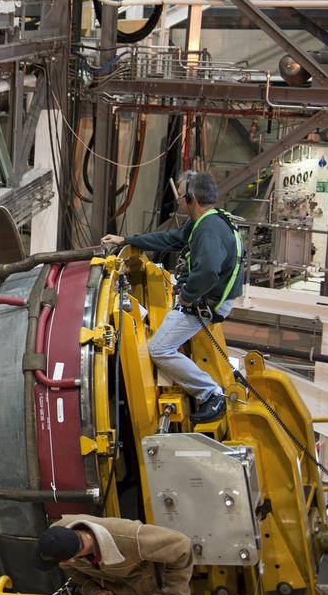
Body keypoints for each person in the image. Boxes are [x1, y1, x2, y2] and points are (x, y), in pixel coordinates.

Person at [100, 170, 243, 424]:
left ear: (191, 198)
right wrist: (127, 240)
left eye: (180, 195)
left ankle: (211, 394)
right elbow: (169, 239)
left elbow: (208, 271)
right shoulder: (207, 221)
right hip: (206, 296)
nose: (178, 200)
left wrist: (187, 297)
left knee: (159, 349)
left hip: (207, 304)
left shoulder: (208, 230)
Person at [37, 515, 193, 595]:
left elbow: (182, 547)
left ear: (72, 558)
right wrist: (92, 590)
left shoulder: (131, 538)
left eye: (64, 561)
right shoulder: (58, 536)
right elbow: (70, 569)